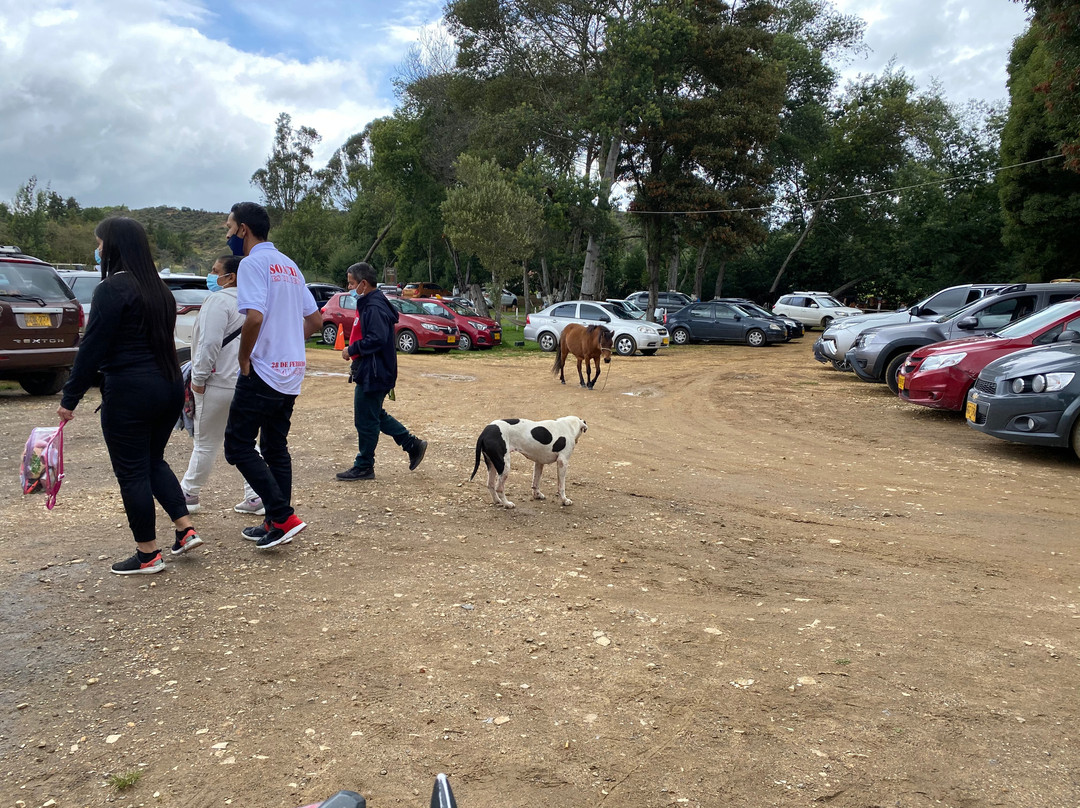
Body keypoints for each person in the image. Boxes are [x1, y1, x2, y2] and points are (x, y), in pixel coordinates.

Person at [57, 217, 202, 575]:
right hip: (167, 387)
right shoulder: (161, 292)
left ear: (114, 247)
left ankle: (147, 553)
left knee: (132, 472)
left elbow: (92, 348)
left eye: (100, 243)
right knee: (153, 461)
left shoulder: (111, 289)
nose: (99, 249)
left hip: (129, 391)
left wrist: (69, 397)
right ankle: (185, 530)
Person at [222, 202, 322, 549]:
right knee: (275, 446)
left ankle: (282, 515)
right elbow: (315, 321)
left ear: (244, 230)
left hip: (262, 369)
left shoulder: (251, 263)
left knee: (237, 445)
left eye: (229, 227)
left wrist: (244, 356)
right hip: (291, 369)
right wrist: (288, 340)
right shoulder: (290, 266)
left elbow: (253, 318)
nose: (228, 234)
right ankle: (274, 524)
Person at [179, 255, 263, 516]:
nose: (212, 276)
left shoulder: (218, 300)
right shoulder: (256, 301)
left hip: (217, 383)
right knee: (246, 441)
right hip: (245, 381)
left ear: (231, 276)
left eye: (216, 271)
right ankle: (257, 493)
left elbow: (208, 344)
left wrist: (199, 378)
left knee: (205, 441)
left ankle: (189, 493)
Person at [336, 262, 427, 481]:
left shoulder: (374, 306)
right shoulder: (370, 302)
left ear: (363, 284)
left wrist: (352, 349)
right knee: (374, 413)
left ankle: (365, 465)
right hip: (373, 370)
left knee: (365, 419)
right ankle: (412, 444)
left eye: (351, 283)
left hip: (375, 371)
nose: (349, 288)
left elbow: (376, 339)